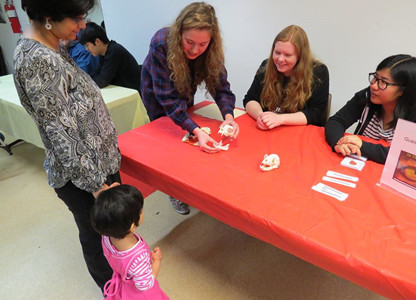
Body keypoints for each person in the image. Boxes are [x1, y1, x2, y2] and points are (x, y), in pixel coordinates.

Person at [14, 0, 121, 292]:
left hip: (97, 164)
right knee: (97, 236)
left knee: (111, 234)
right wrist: (97, 185)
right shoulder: (38, 60)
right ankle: (114, 296)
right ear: (48, 19)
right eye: (77, 18)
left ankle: (124, 285)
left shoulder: (55, 44)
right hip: (86, 177)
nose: (83, 25)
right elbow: (60, 132)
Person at [141, 2, 239, 214]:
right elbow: (166, 99)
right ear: (179, 34)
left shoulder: (211, 50)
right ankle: (174, 190)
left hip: (185, 92)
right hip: (158, 98)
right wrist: (195, 129)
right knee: (170, 141)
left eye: (202, 44)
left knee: (188, 137)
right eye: (189, 42)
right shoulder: (161, 43)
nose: (195, 50)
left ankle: (191, 182)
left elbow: (221, 87)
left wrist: (229, 116)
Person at [91, 185, 172, 300]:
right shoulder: (138, 257)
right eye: (140, 212)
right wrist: (156, 261)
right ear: (132, 227)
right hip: (140, 298)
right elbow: (146, 284)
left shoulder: (106, 237)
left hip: (122, 290)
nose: (142, 212)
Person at [325, 54, 416, 164]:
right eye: (375, 77)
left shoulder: (413, 115)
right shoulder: (367, 96)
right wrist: (338, 143)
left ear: (403, 90)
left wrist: (362, 146)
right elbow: (337, 121)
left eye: (383, 82)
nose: (373, 86)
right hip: (356, 166)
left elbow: (405, 156)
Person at [243, 25, 330, 129]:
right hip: (269, 129)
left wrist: (279, 119)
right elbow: (250, 99)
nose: (280, 59)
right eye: (277, 52)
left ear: (300, 57)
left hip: (298, 133)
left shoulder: (319, 72)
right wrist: (261, 117)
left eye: (287, 55)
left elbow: (316, 114)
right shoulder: (266, 66)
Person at [78, 22, 142, 95]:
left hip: (135, 95)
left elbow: (102, 81)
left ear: (97, 41)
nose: (86, 49)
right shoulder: (103, 54)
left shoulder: (114, 51)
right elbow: (96, 74)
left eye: (87, 45)